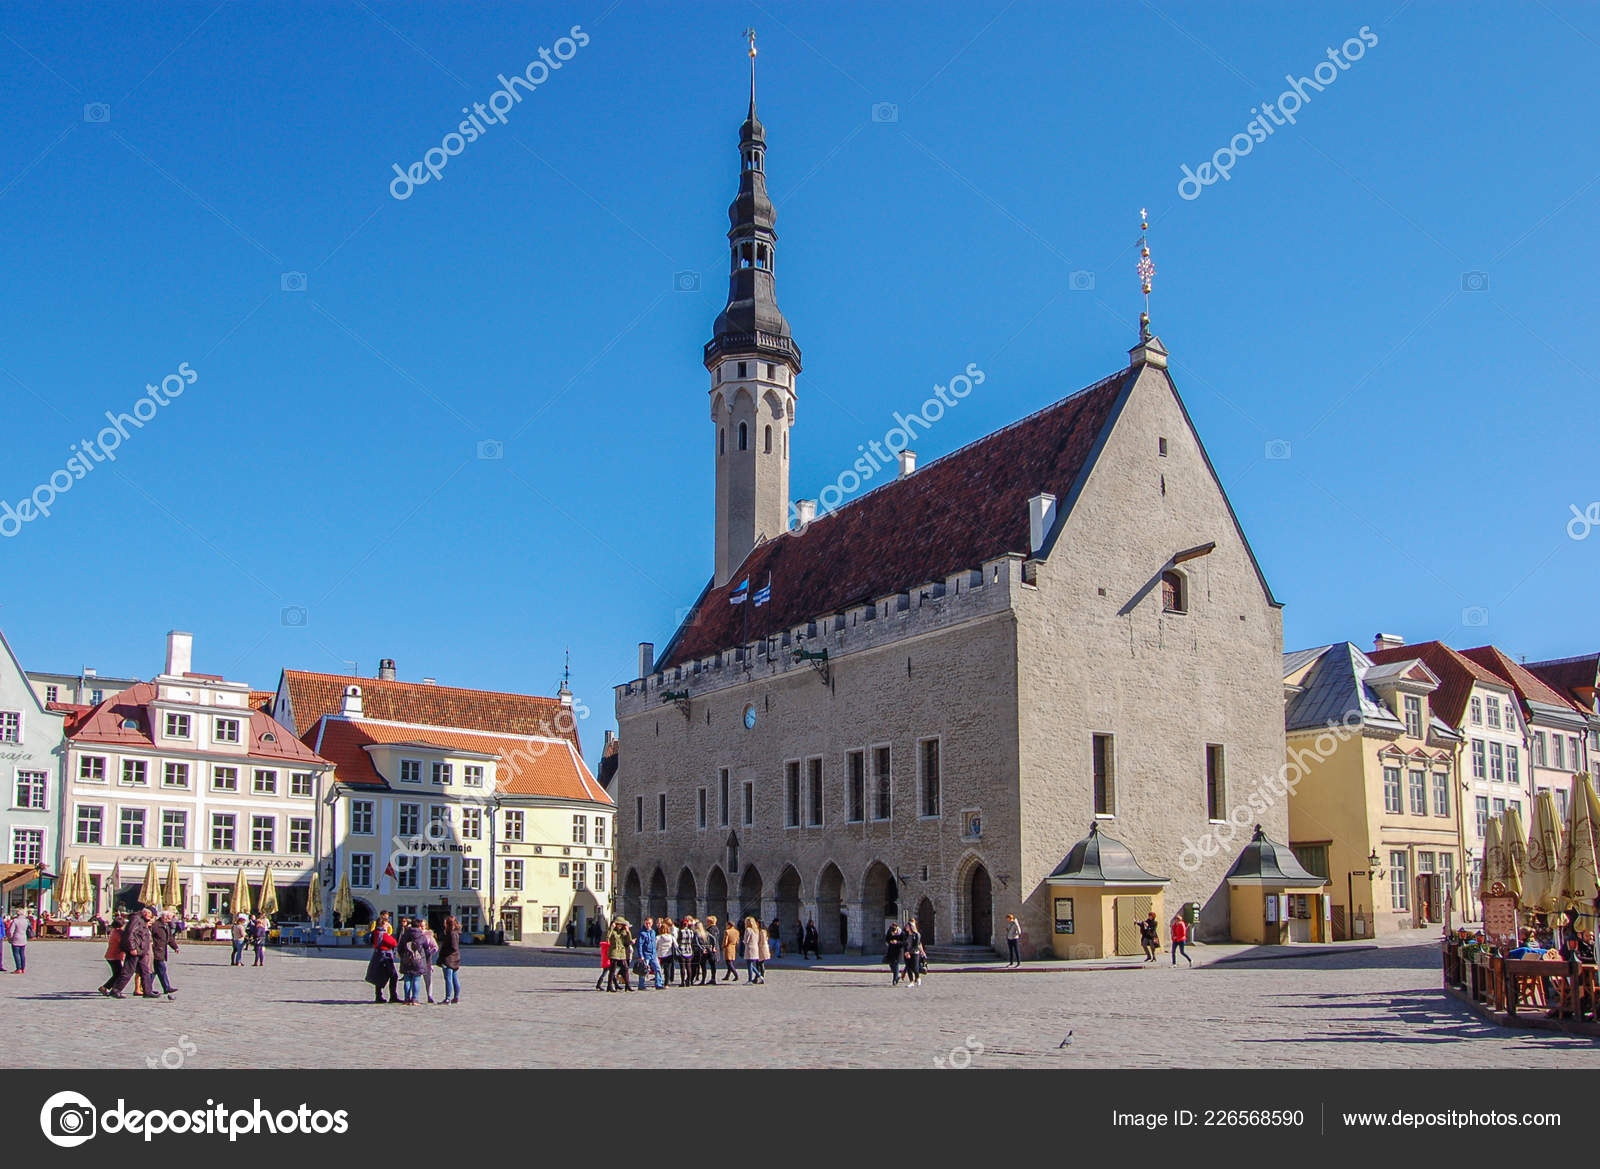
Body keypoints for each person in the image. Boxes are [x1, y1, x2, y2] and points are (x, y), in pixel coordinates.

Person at [112, 907, 160, 998]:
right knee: (128, 971)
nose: (151, 918)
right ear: (146, 913)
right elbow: (130, 934)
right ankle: (116, 990)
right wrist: (132, 948)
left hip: (141, 950)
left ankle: (147, 991)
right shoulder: (136, 919)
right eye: (151, 915)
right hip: (135, 950)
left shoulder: (141, 920)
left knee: (145, 971)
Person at [365, 920, 399, 1003]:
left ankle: (379, 996)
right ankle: (393, 996)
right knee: (394, 975)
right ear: (383, 924)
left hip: (378, 956)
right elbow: (394, 942)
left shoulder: (375, 932)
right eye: (387, 924)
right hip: (385, 956)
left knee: (379, 975)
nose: (388, 926)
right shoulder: (382, 933)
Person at [398, 917, 427, 1004]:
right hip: (417, 959)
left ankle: (406, 999)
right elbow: (426, 947)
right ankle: (415, 999)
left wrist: (402, 955)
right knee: (416, 979)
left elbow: (400, 947)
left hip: (406, 959)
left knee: (407, 979)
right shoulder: (421, 936)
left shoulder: (405, 934)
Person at [149, 911, 179, 997]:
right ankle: (166, 987)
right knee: (161, 969)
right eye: (168, 918)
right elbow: (150, 937)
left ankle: (148, 987)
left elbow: (169, 938)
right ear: (163, 917)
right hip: (156, 951)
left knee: (155, 971)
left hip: (161, 951)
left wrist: (175, 947)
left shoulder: (166, 926)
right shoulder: (156, 925)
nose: (170, 920)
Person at [437, 915, 462, 1004]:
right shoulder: (454, 933)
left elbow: (453, 947)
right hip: (455, 958)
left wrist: (444, 954)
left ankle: (448, 998)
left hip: (449, 959)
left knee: (448, 979)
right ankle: (456, 997)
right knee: (454, 978)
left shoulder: (451, 934)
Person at [99, 915, 126, 994]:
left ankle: (110, 988)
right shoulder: (118, 933)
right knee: (119, 974)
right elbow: (122, 943)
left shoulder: (114, 931)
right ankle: (106, 987)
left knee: (117, 973)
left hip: (111, 955)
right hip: (114, 956)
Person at [606, 917, 633, 991]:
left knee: (625, 968)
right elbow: (607, 937)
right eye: (619, 924)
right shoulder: (612, 931)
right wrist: (611, 928)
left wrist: (628, 932)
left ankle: (627, 985)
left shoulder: (624, 931)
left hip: (622, 952)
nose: (620, 926)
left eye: (621, 924)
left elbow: (628, 941)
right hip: (614, 951)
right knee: (613, 969)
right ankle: (609, 986)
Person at [636, 916, 662, 989]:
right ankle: (641, 985)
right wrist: (641, 956)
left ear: (652, 923)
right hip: (645, 955)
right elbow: (639, 945)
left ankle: (658, 984)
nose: (647, 925)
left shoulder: (653, 932)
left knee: (658, 969)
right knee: (643, 970)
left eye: (649, 923)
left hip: (653, 954)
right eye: (646, 923)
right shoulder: (642, 933)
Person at [419, 919, 440, 1002]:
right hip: (417, 960)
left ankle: (429, 996)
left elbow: (435, 947)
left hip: (427, 960)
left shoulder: (428, 935)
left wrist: (429, 953)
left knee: (428, 980)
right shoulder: (416, 934)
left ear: (425, 926)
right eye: (420, 926)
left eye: (422, 926)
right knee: (416, 979)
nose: (421, 927)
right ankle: (413, 996)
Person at [7, 910, 30, 974]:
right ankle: (23, 968)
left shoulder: (15, 921)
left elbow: (11, 931)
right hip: (23, 938)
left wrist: (9, 938)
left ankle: (18, 968)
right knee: (22, 954)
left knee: (16, 953)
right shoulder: (26, 921)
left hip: (16, 937)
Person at [902, 919, 924, 987]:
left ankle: (918, 977)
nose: (906, 927)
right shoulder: (906, 935)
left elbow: (916, 945)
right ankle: (911, 982)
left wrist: (909, 952)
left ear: (911, 927)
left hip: (914, 953)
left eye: (907, 926)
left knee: (914, 967)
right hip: (907, 953)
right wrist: (906, 952)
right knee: (908, 967)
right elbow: (905, 944)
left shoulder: (917, 935)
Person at [677, 917, 697, 986]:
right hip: (689, 950)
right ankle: (689, 981)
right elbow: (692, 940)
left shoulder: (680, 931)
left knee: (682, 967)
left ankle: (682, 982)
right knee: (689, 966)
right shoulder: (691, 931)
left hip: (682, 950)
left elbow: (678, 940)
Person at [700, 915, 720, 985]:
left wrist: (706, 948)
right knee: (713, 965)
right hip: (714, 948)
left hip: (709, 949)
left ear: (710, 922)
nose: (706, 922)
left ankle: (703, 979)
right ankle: (713, 978)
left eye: (707, 921)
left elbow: (710, 939)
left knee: (703, 964)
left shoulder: (710, 930)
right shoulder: (716, 929)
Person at [657, 919, 677, 986]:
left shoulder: (658, 937)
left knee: (658, 969)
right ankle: (666, 983)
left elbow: (655, 946)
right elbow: (676, 945)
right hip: (669, 954)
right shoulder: (671, 937)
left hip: (660, 955)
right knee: (667, 970)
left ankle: (658, 982)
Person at [742, 916, 762, 983]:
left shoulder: (748, 930)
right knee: (750, 964)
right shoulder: (756, 930)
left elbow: (746, 940)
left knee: (749, 964)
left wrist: (743, 942)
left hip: (749, 948)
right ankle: (759, 975)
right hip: (755, 948)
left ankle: (750, 979)